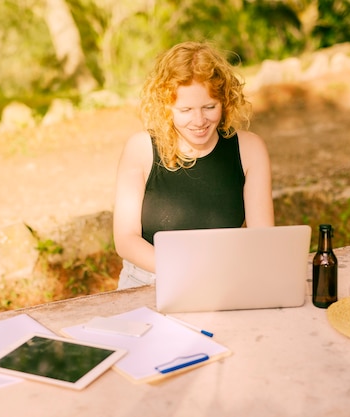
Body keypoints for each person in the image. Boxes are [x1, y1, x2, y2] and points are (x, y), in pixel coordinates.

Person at [113, 41, 274, 290]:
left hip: (223, 280)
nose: (199, 121)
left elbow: (263, 240)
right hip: (148, 281)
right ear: (166, 107)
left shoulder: (250, 149)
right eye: (185, 109)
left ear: (225, 101)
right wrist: (189, 273)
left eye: (209, 107)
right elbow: (125, 240)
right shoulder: (140, 149)